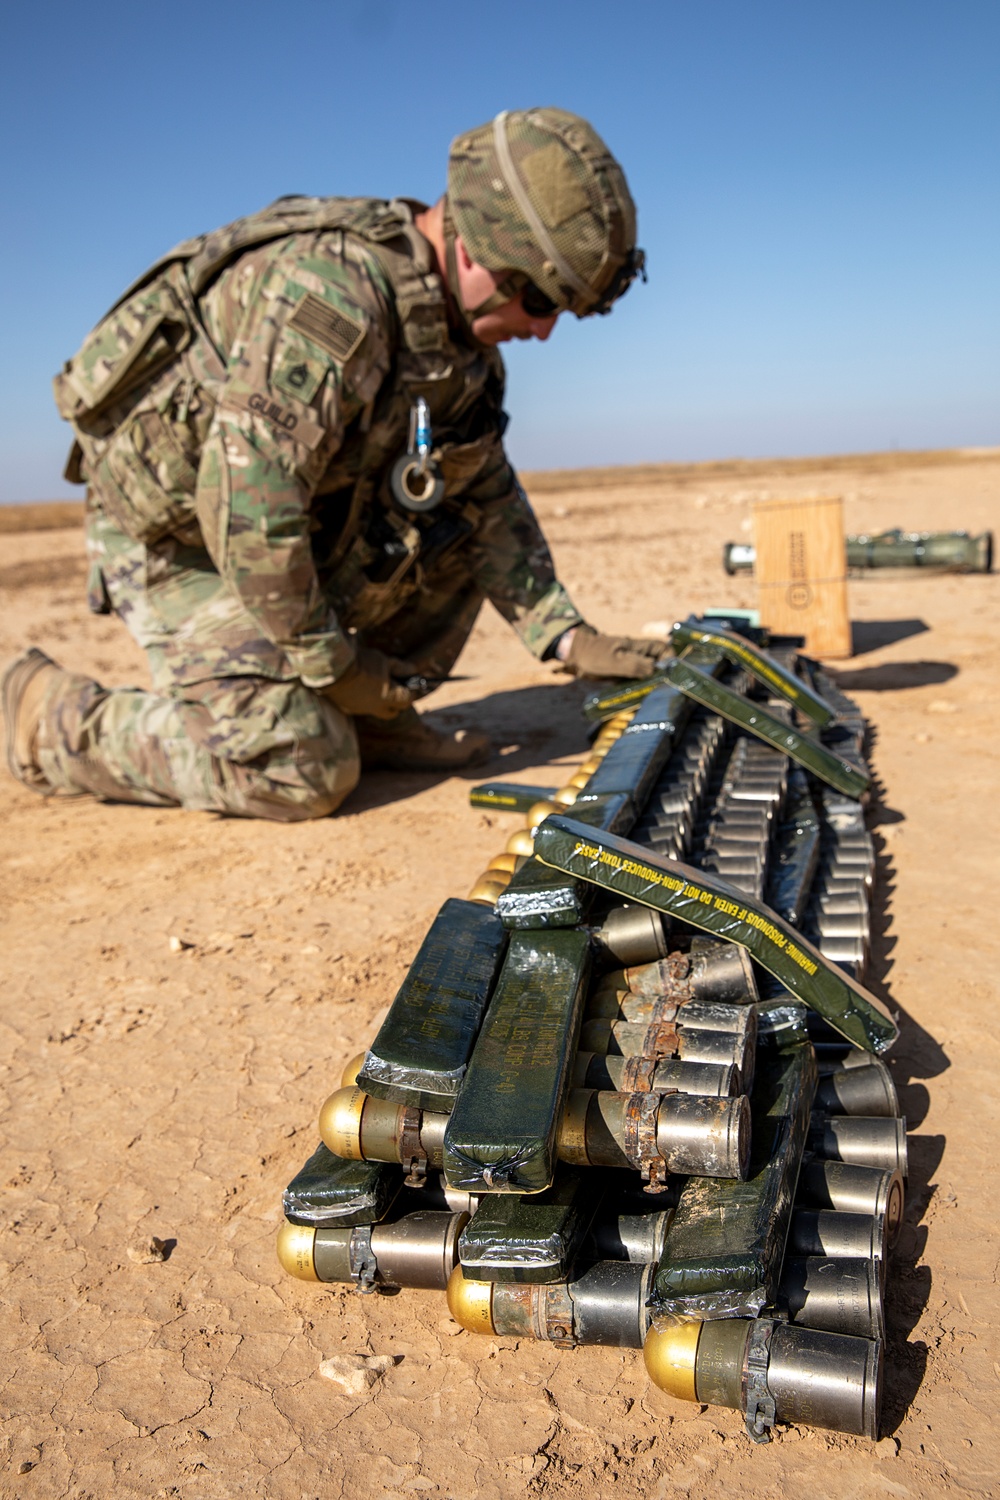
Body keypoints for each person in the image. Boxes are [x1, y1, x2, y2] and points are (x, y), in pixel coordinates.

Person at [3, 107, 666, 823]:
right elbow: (247, 509)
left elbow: (487, 496)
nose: (542, 329)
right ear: (473, 251)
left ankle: (369, 724)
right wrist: (335, 666)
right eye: (537, 299)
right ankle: (49, 719)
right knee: (302, 767)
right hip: (178, 540)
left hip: (274, 529)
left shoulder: (461, 354)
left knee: (449, 533)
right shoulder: (332, 299)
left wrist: (566, 635)